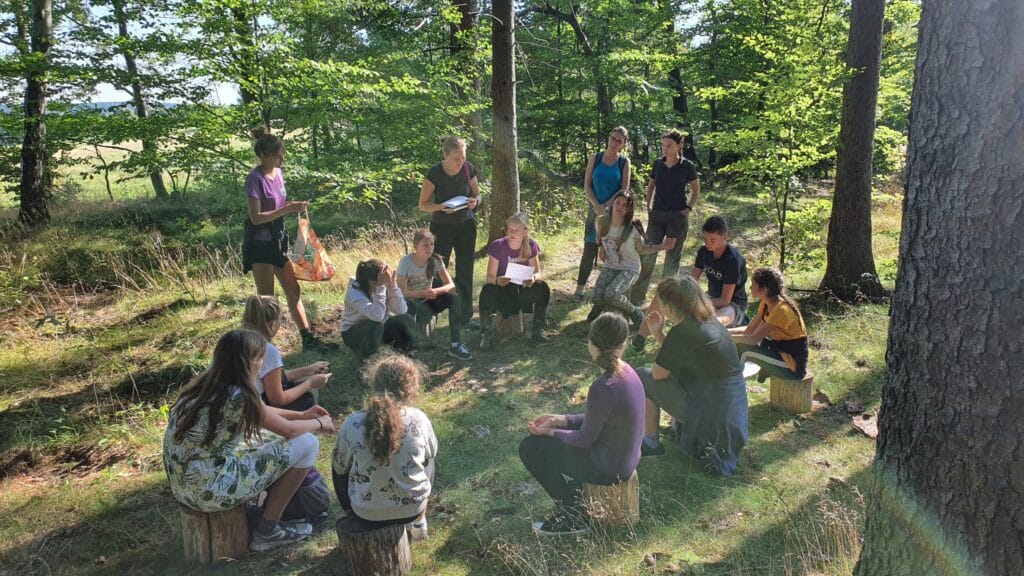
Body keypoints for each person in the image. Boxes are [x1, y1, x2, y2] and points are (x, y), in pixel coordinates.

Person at [163, 329, 337, 552]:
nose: (262, 364)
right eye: (260, 358)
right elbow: (290, 431)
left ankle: (261, 512)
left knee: (270, 438)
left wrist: (302, 415)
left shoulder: (203, 384)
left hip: (184, 487)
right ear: (247, 363)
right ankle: (268, 530)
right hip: (210, 491)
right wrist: (320, 423)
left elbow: (261, 411)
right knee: (308, 444)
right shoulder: (238, 395)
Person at [519, 313, 645, 535]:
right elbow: (600, 420)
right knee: (546, 442)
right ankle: (575, 499)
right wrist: (561, 420)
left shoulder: (604, 386)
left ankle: (573, 516)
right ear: (623, 342)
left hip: (609, 469)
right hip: (624, 460)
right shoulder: (627, 371)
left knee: (530, 448)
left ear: (591, 344)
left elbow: (584, 439)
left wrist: (550, 432)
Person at [636, 277, 748, 477]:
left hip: (708, 416)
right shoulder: (712, 323)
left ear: (669, 307)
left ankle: (651, 443)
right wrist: (658, 333)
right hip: (731, 418)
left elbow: (658, 374)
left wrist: (660, 335)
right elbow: (680, 358)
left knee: (642, 377)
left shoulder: (682, 332)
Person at [242, 128, 333, 351]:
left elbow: (279, 205)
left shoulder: (279, 174)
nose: (282, 160)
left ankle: (308, 338)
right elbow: (255, 218)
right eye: (278, 156)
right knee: (267, 300)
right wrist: (287, 209)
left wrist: (294, 207)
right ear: (264, 156)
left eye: (282, 155)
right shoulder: (255, 179)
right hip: (260, 244)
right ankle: (264, 348)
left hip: (278, 241)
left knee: (293, 290)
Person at [332, 352, 437, 541]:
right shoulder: (419, 419)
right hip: (412, 509)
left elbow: (339, 468)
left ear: (374, 383)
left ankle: (349, 513)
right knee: (429, 458)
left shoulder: (353, 422)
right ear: (412, 387)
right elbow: (431, 454)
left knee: (338, 464)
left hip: (365, 513)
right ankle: (420, 521)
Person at [629, 129, 701, 307]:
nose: (665, 149)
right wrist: (648, 207)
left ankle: (666, 300)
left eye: (669, 146)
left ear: (679, 145)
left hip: (677, 217)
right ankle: (637, 298)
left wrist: (687, 210)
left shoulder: (687, 165)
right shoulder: (657, 164)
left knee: (672, 259)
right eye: (663, 145)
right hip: (657, 216)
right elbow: (651, 187)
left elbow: (696, 190)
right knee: (648, 254)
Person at [587, 191, 676, 330]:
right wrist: (601, 248)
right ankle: (601, 307)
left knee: (611, 294)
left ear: (629, 209)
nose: (620, 207)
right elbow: (599, 237)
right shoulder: (600, 221)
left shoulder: (633, 227)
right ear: (612, 203)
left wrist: (662, 246)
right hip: (610, 266)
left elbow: (641, 250)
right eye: (618, 203)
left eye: (625, 205)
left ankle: (635, 312)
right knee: (596, 297)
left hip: (630, 268)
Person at [418, 136, 482, 327]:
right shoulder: (434, 173)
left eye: (463, 157)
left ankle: (465, 316)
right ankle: (431, 313)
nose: (460, 162)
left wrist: (475, 201)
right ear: (445, 155)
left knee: (465, 269)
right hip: (441, 228)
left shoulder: (468, 168)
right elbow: (423, 204)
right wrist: (441, 207)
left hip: (466, 226)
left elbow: (477, 194)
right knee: (437, 269)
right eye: (456, 158)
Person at [242, 295, 332, 411]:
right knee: (306, 399)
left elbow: (270, 379)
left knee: (297, 385)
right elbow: (277, 401)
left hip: (232, 405)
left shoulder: (235, 340)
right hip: (251, 410)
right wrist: (310, 383)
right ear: (272, 325)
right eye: (281, 319)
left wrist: (307, 370)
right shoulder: (267, 350)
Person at [397, 229, 473, 361]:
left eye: (432, 244)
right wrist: (420, 293)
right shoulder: (406, 262)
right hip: (410, 303)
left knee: (454, 299)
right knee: (410, 312)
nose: (429, 248)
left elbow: (451, 286)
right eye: (425, 245)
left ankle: (455, 345)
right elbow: (400, 292)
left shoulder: (435, 260)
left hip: (428, 301)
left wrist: (435, 292)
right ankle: (404, 350)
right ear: (415, 246)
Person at [478, 212, 551, 349]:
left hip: (522, 289)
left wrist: (532, 278)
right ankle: (485, 333)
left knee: (542, 287)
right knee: (487, 289)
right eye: (510, 229)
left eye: (516, 230)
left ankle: (538, 330)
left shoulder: (531, 244)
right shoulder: (498, 245)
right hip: (504, 289)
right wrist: (498, 281)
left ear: (525, 231)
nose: (512, 233)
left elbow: (538, 273)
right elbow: (490, 277)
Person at [575, 127, 632, 298]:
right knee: (590, 247)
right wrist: (596, 205)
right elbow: (587, 185)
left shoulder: (624, 162)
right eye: (613, 139)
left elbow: (624, 190)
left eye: (619, 141)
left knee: (613, 250)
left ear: (623, 144)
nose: (615, 143)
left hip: (616, 212)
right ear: (609, 138)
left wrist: (607, 205)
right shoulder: (595, 158)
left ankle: (611, 290)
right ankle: (579, 289)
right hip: (594, 210)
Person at [729, 267, 809, 381]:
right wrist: (724, 331)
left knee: (744, 350)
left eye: (753, 284)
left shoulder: (781, 310)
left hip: (792, 366)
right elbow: (750, 329)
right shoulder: (766, 303)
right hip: (779, 351)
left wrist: (724, 338)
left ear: (764, 289)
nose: (750, 287)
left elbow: (753, 339)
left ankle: (732, 385)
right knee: (739, 344)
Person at [340, 259, 416, 361]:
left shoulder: (383, 283)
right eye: (384, 280)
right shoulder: (354, 293)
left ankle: (400, 357)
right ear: (371, 282)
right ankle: (367, 361)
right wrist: (381, 287)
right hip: (354, 333)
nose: (386, 283)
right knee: (376, 325)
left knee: (407, 319)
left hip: (379, 328)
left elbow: (401, 310)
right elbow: (377, 316)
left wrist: (393, 284)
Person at [691, 215, 749, 327]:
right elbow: (692, 280)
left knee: (714, 323)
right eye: (705, 239)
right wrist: (686, 294)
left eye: (712, 240)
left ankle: (741, 321)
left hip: (733, 304)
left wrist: (700, 302)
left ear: (724, 238)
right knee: (689, 318)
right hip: (711, 297)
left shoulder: (732, 260)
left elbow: (725, 300)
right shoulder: (703, 251)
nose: (708, 243)